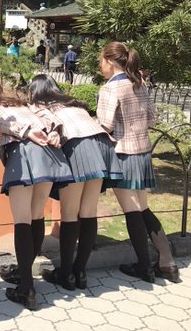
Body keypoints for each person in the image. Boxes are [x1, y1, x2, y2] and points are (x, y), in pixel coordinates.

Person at [0, 76, 73, 310]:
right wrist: (55, 132)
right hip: (49, 154)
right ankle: (23, 273)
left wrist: (25, 132)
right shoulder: (21, 104)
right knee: (36, 215)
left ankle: (27, 288)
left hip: (24, 153)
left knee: (22, 221)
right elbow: (51, 118)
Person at [28, 74, 123, 290]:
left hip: (77, 146)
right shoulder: (73, 104)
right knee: (88, 211)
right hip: (100, 144)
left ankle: (66, 274)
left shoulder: (41, 108)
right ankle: (80, 272)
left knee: (69, 213)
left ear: (35, 92)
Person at [97, 41, 181, 283]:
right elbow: (152, 119)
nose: (100, 66)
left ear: (110, 61)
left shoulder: (110, 89)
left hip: (122, 154)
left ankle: (144, 267)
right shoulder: (139, 83)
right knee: (142, 208)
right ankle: (167, 262)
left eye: (101, 61)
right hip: (142, 151)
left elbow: (104, 125)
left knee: (131, 210)